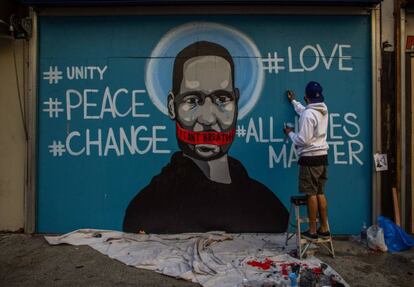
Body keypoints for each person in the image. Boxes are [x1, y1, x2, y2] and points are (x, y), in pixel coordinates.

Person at [123, 41, 288, 234]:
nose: (208, 118)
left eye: (222, 99)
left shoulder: (267, 206)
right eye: (192, 100)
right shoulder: (147, 207)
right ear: (171, 106)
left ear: (236, 103)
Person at [283, 81, 330, 240]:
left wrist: (289, 133)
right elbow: (305, 111)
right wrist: (293, 102)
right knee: (320, 192)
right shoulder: (323, 110)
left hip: (310, 159)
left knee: (311, 194)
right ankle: (324, 228)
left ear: (306, 97)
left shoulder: (308, 115)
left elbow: (302, 140)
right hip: (322, 157)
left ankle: (312, 231)